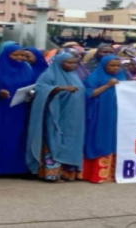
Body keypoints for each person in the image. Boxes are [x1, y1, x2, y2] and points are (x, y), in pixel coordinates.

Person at [26, 53, 85, 182]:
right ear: (59, 63)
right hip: (55, 114)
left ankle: (67, 173)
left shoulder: (74, 76)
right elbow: (40, 90)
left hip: (73, 117)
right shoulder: (49, 75)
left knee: (70, 142)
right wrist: (58, 88)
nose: (73, 66)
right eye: (69, 63)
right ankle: (51, 173)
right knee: (54, 140)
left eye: (75, 63)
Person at [0, 44, 35, 175]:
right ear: (6, 55)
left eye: (22, 55)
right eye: (15, 55)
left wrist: (31, 92)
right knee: (0, 137)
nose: (19, 58)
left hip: (21, 109)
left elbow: (32, 85)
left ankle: (17, 168)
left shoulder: (27, 69)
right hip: (2, 109)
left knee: (19, 137)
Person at [82, 55, 126, 183]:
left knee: (114, 138)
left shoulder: (122, 76)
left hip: (116, 114)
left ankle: (112, 173)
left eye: (118, 66)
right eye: (111, 66)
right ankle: (95, 173)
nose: (115, 68)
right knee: (99, 138)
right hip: (100, 114)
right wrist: (107, 85)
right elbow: (89, 94)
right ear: (104, 65)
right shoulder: (94, 77)